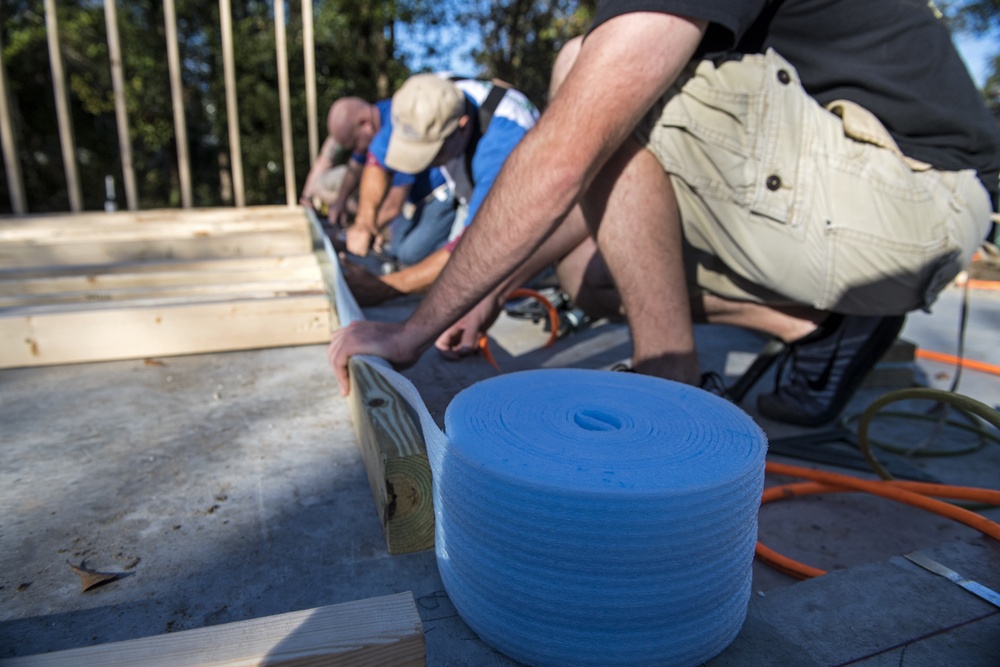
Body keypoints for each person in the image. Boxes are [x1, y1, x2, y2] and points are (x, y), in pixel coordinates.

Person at [329, 2, 1000, 428]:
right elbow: (594, 182)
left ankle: (670, 399)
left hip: (918, 199)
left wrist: (411, 330)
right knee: (589, 274)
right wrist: (493, 288)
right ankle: (821, 321)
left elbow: (572, 152)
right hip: (871, 211)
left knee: (585, 74)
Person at [338, 73, 540, 304]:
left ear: (462, 127)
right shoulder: (423, 102)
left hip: (517, 210)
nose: (425, 165)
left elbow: (474, 245)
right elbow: (377, 160)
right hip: (472, 192)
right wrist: (365, 220)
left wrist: (385, 287)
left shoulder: (503, 143)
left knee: (486, 287)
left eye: (433, 153)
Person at [299, 97, 457, 267]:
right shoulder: (374, 124)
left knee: (408, 254)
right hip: (416, 200)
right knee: (395, 250)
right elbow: (356, 165)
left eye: (355, 143)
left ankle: (449, 253)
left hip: (440, 193)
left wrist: (361, 231)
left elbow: (394, 204)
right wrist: (340, 203)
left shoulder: (397, 129)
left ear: (364, 124)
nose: (357, 150)